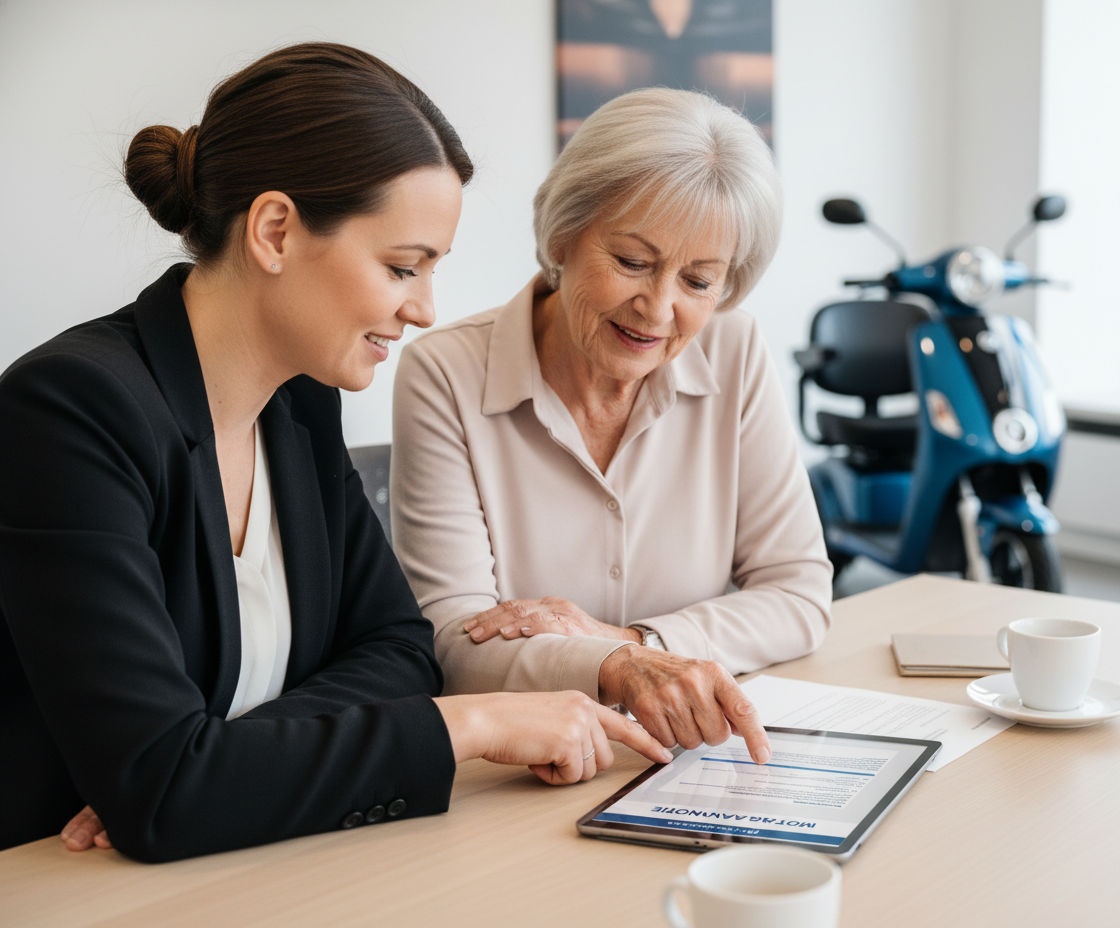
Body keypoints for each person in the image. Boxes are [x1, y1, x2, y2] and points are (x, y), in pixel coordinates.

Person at [0, 43, 671, 862]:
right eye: (402, 267)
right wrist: (478, 720)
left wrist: (221, 763)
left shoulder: (298, 400)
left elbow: (396, 650)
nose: (425, 309)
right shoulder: (72, 410)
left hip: (250, 862)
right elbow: (165, 792)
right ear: (276, 230)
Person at [391, 88, 832, 762]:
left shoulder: (735, 351)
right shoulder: (444, 372)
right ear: (564, 235)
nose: (657, 310)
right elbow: (453, 643)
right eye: (632, 262)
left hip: (690, 757)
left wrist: (631, 643)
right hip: (527, 774)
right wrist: (617, 669)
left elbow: (799, 594)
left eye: (699, 281)